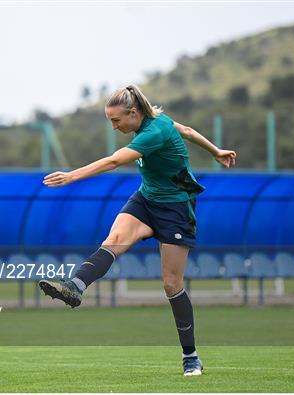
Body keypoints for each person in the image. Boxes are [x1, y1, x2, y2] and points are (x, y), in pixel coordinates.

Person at [38, 84, 236, 377]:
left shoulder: (155, 131)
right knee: (114, 240)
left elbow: (116, 161)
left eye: (117, 120)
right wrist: (216, 150)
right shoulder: (156, 123)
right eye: (110, 120)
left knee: (171, 284)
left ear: (134, 113)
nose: (114, 126)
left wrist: (72, 176)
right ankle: (76, 286)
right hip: (146, 200)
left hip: (175, 210)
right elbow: (190, 132)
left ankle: (191, 356)